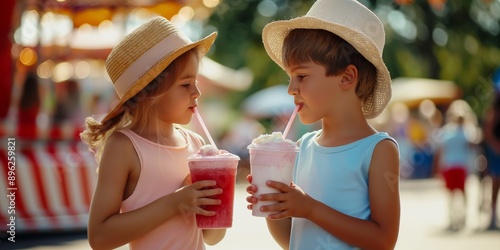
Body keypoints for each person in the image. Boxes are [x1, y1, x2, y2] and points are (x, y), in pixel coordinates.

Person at [246, 0, 400, 249]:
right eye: (290, 77)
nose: (291, 89)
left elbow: (384, 240)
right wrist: (274, 205)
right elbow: (291, 240)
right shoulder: (299, 148)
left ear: (347, 77)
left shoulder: (378, 150)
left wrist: (309, 208)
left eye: (301, 76)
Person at [80, 17, 225, 249]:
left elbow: (211, 237)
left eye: (196, 82)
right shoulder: (124, 146)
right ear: (150, 92)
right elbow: (99, 237)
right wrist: (175, 203)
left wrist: (218, 200)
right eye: (186, 84)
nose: (197, 92)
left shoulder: (197, 145)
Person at [435, 115, 473, 231]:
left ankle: (456, 217)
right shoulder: (465, 132)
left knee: (454, 193)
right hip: (458, 165)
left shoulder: (449, 132)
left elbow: (441, 150)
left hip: (453, 165)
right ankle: (459, 217)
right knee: (460, 192)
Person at [483, 93, 500, 230]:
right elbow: (488, 133)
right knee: (495, 183)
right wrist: (496, 147)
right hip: (496, 153)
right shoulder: (493, 112)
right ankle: (492, 216)